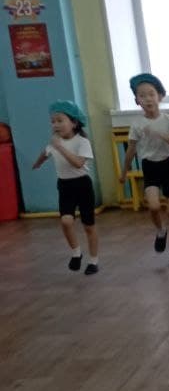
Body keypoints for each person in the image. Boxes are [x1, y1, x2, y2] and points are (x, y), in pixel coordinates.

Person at [119, 74, 169, 267]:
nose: (147, 99)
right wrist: (124, 171)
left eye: (151, 94)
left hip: (168, 165)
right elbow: (131, 150)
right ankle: (160, 231)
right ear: (137, 100)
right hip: (149, 166)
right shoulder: (137, 124)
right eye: (142, 96)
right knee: (154, 206)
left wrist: (160, 134)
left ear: (160, 96)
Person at [33, 100, 100, 275]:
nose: (55, 124)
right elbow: (45, 153)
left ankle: (93, 260)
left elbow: (78, 163)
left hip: (82, 185)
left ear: (74, 123)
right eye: (53, 121)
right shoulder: (54, 143)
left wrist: (60, 147)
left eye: (60, 120)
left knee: (89, 225)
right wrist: (38, 163)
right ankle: (76, 252)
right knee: (66, 221)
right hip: (64, 185)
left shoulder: (82, 142)